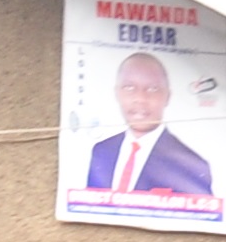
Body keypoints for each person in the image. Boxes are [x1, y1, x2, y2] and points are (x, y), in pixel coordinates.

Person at [84, 50, 216, 201]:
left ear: (167, 96)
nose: (140, 98)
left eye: (152, 89)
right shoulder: (101, 151)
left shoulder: (192, 165)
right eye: (129, 88)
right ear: (117, 93)